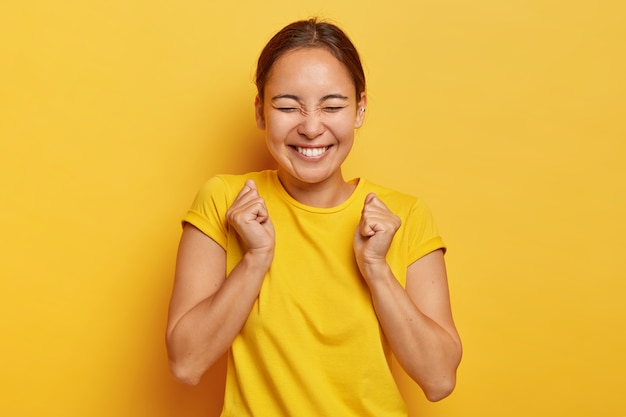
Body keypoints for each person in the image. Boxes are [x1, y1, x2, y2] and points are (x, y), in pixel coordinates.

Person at [166, 18, 462, 416]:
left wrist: (376, 269)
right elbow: (186, 363)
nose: (310, 127)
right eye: (288, 106)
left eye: (333, 106)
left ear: (359, 110)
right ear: (260, 112)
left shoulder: (404, 215)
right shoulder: (224, 201)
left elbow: (440, 379)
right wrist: (254, 260)